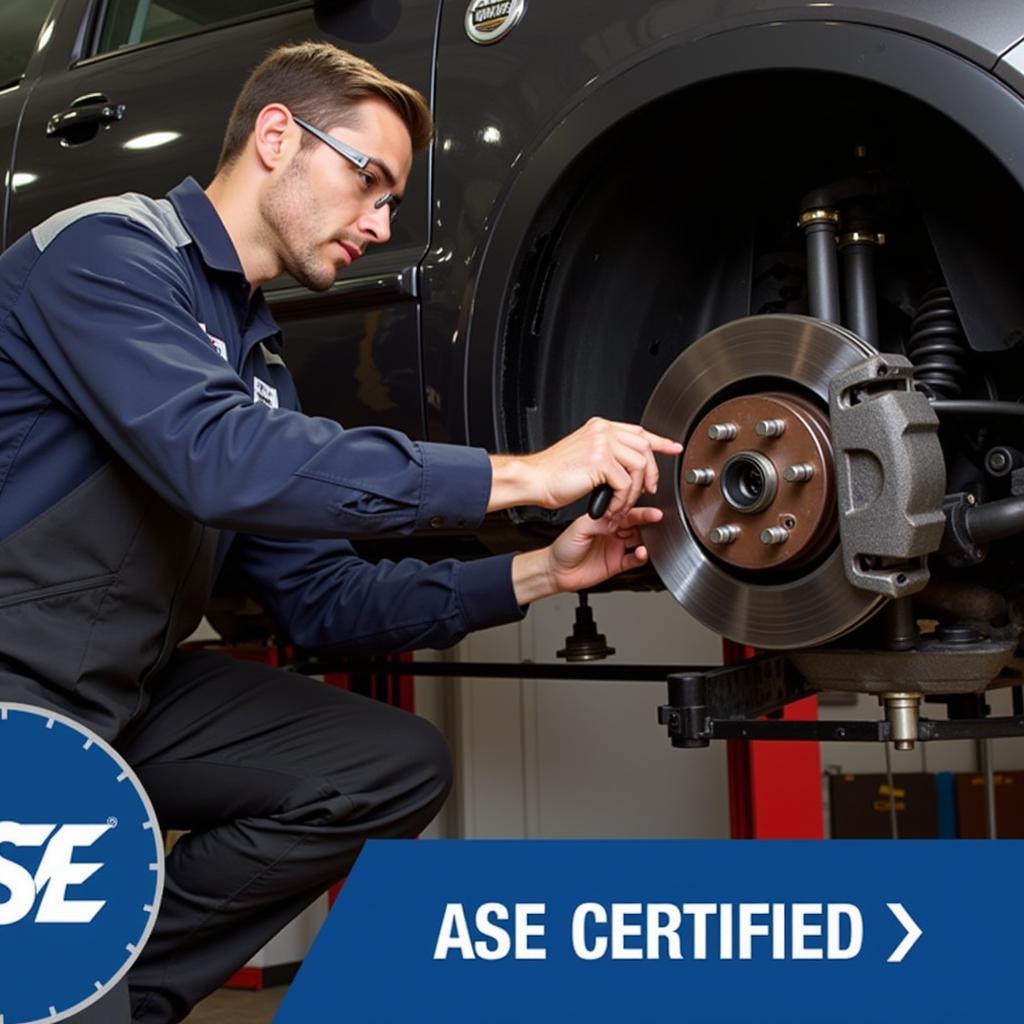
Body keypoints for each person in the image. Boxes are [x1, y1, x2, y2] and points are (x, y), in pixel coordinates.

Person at [0, 42, 681, 1023]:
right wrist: (523, 474)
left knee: (382, 764)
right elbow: (219, 457)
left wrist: (540, 570)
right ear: (276, 136)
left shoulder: (259, 363)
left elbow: (322, 600)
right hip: (18, 687)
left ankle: (110, 984)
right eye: (370, 181)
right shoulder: (108, 256)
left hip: (120, 692)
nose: (382, 222)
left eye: (393, 202)